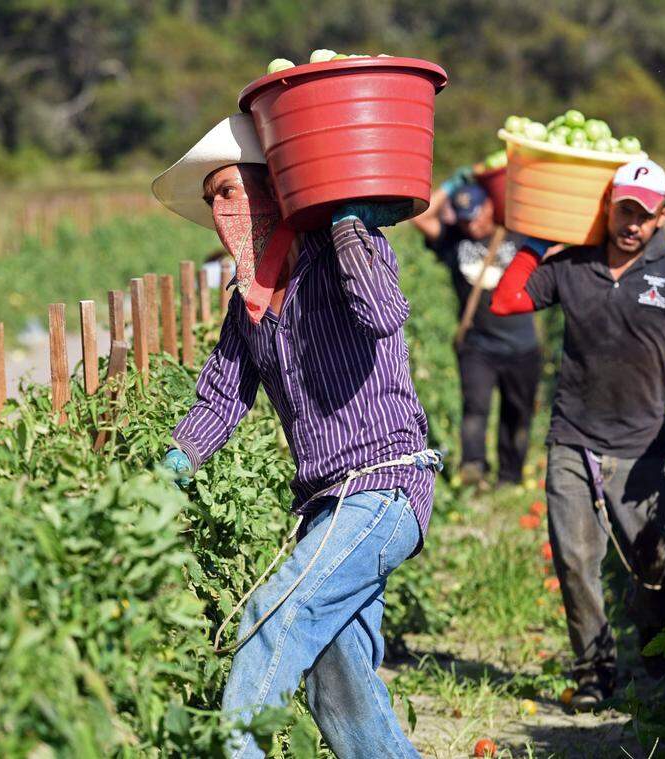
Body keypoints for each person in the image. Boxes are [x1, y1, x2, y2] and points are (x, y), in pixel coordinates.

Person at [151, 113, 438, 758]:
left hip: (382, 488)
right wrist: (176, 459)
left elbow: (383, 313)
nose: (220, 213)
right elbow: (224, 395)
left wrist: (344, 222)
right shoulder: (247, 302)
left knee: (271, 621)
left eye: (227, 191)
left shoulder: (341, 260)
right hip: (325, 505)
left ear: (269, 189)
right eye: (210, 200)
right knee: (338, 681)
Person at [491, 159, 665, 709]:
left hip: (642, 447)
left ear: (663, 216)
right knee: (574, 560)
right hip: (573, 436)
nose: (632, 224)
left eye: (644, 216)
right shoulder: (573, 266)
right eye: (624, 211)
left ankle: (653, 648)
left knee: (655, 563)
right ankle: (595, 671)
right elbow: (507, 301)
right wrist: (530, 246)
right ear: (608, 207)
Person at [410, 171, 540, 487]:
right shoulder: (453, 240)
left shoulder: (515, 235)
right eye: (464, 218)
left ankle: (510, 476)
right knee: (475, 408)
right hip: (477, 345)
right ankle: (473, 472)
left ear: (491, 207)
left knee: (517, 413)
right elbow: (421, 217)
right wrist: (453, 183)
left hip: (522, 344)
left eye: (477, 215)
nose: (471, 225)